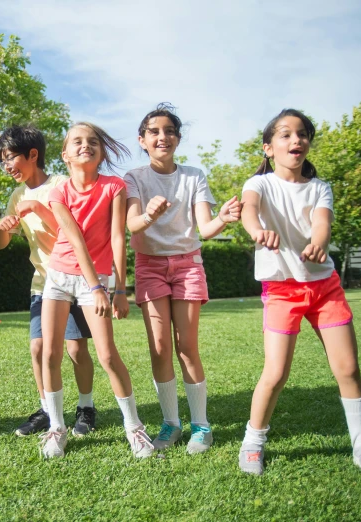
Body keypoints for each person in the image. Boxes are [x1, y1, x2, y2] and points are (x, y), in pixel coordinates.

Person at [239, 108, 361, 483]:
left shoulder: (320, 187)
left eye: (303, 134)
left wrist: (318, 244)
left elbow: (322, 223)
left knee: (349, 369)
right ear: (268, 147)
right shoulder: (258, 184)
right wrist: (258, 232)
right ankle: (252, 441)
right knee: (275, 374)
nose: (297, 140)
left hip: (325, 289)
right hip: (281, 291)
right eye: (286, 134)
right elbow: (249, 212)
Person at [125, 104, 241, 453]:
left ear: (178, 137)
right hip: (150, 266)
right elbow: (131, 226)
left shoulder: (194, 176)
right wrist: (148, 214)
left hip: (188, 266)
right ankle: (171, 424)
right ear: (142, 140)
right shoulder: (134, 178)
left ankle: (201, 426)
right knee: (160, 348)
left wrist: (222, 218)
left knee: (186, 347)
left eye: (170, 131)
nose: (163, 137)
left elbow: (205, 228)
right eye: (155, 132)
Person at [39, 122, 153, 459]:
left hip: (99, 281)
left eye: (92, 142)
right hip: (60, 275)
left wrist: (117, 288)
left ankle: (134, 428)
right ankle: (57, 427)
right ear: (65, 154)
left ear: (101, 152)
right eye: (77, 141)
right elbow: (74, 240)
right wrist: (96, 286)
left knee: (107, 355)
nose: (85, 145)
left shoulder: (114, 187)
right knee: (50, 353)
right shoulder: (58, 192)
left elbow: (119, 237)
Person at [0, 125, 97, 438]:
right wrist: (3, 226)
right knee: (37, 349)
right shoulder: (16, 194)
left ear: (33, 155)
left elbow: (74, 234)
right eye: (3, 161)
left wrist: (38, 208)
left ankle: (86, 407)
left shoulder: (62, 185)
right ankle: (47, 409)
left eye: (10, 158)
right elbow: (1, 243)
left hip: (73, 279)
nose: (7, 166)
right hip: (42, 283)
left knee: (76, 349)